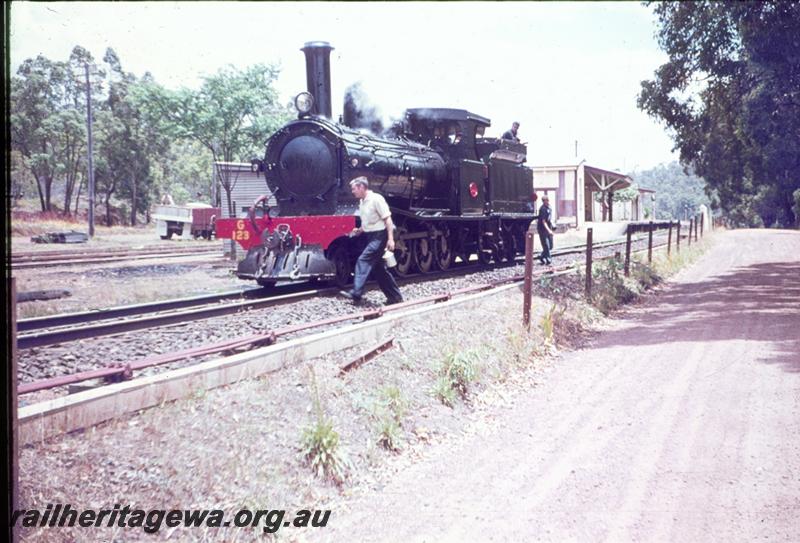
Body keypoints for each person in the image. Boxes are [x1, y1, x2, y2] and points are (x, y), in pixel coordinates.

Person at [339, 176, 404, 305]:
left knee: (363, 260)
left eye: (354, 189)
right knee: (379, 269)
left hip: (380, 236)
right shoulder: (362, 202)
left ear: (362, 187)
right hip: (370, 236)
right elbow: (369, 221)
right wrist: (360, 230)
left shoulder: (376, 199)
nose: (353, 192)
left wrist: (390, 239)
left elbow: (388, 220)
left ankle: (356, 293)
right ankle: (395, 297)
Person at [537, 195, 554, 265]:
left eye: (548, 200)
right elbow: (543, 221)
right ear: (543, 201)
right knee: (546, 245)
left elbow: (550, 218)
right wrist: (549, 230)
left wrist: (552, 227)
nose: (547, 202)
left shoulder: (549, 208)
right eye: (546, 200)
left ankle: (541, 256)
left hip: (549, 228)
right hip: (543, 230)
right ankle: (549, 260)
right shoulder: (542, 209)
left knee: (550, 245)